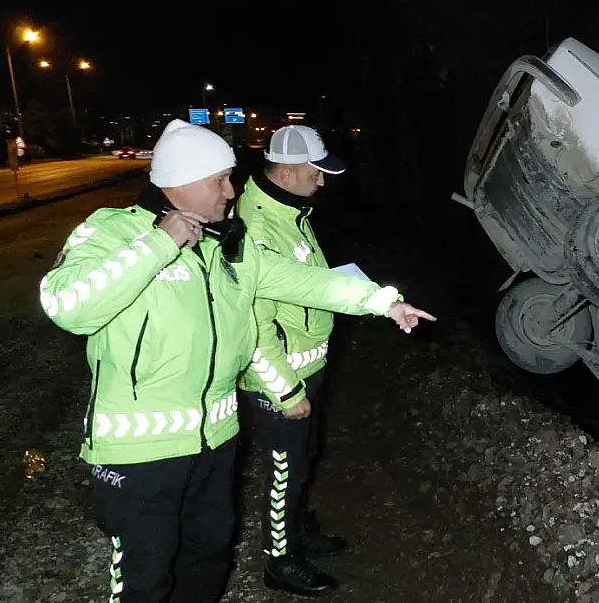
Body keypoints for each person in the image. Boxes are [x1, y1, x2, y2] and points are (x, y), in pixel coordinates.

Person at [39, 119, 435, 603]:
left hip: (215, 441)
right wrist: (159, 244)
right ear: (182, 182)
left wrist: (383, 301)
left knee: (208, 558)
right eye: (220, 181)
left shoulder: (226, 245)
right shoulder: (112, 230)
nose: (231, 191)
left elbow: (305, 281)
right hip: (141, 453)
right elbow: (67, 305)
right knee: (146, 576)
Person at [232, 125, 356, 596]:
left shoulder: (288, 209)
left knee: (303, 459)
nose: (322, 182)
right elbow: (254, 325)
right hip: (280, 380)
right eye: (315, 173)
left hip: (308, 365)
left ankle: (297, 537)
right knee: (285, 471)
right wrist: (285, 390)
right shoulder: (257, 229)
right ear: (286, 172)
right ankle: (279, 563)